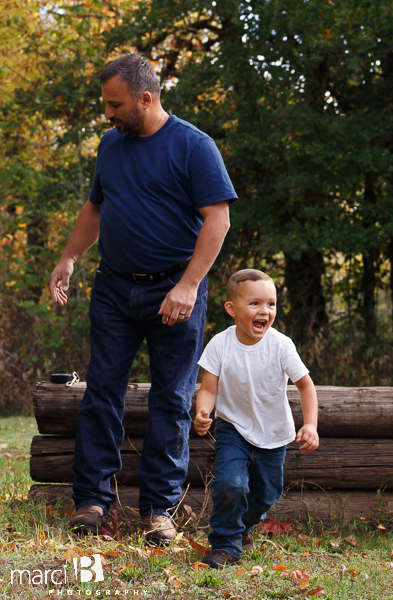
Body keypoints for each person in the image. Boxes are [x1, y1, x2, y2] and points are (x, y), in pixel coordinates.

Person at [48, 54, 236, 543]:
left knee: (172, 398)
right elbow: (96, 206)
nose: (107, 114)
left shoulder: (194, 146)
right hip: (114, 287)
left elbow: (218, 220)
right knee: (101, 392)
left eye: (115, 104)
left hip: (174, 288)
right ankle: (91, 501)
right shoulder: (111, 144)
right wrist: (69, 257)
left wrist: (189, 286)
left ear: (145, 98)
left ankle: (158, 510)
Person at [194, 269, 319, 568]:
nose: (265, 311)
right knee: (231, 484)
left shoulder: (281, 345)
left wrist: (311, 424)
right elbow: (209, 387)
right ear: (232, 309)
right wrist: (203, 412)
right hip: (232, 428)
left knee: (266, 494)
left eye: (271, 304)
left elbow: (305, 385)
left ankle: (242, 527)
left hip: (273, 432)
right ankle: (224, 547)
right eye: (255, 304)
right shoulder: (220, 345)